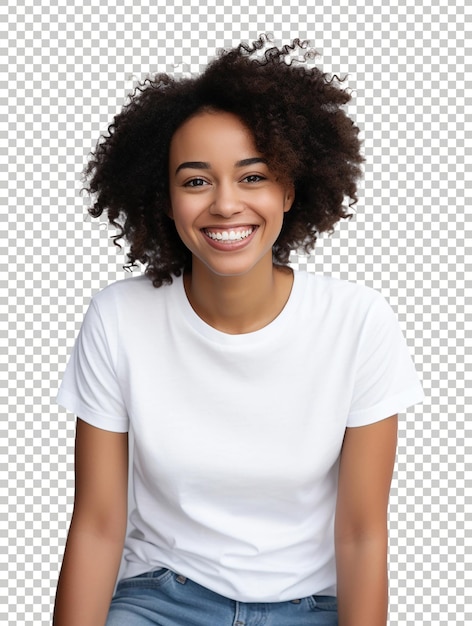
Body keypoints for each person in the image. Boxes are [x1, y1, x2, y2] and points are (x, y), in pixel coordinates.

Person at [53, 36, 423, 626]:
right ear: (167, 199)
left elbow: (360, 534)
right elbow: (98, 525)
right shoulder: (118, 320)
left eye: (252, 177)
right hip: (161, 601)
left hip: (311, 608)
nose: (226, 205)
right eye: (196, 181)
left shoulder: (358, 323)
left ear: (289, 191)